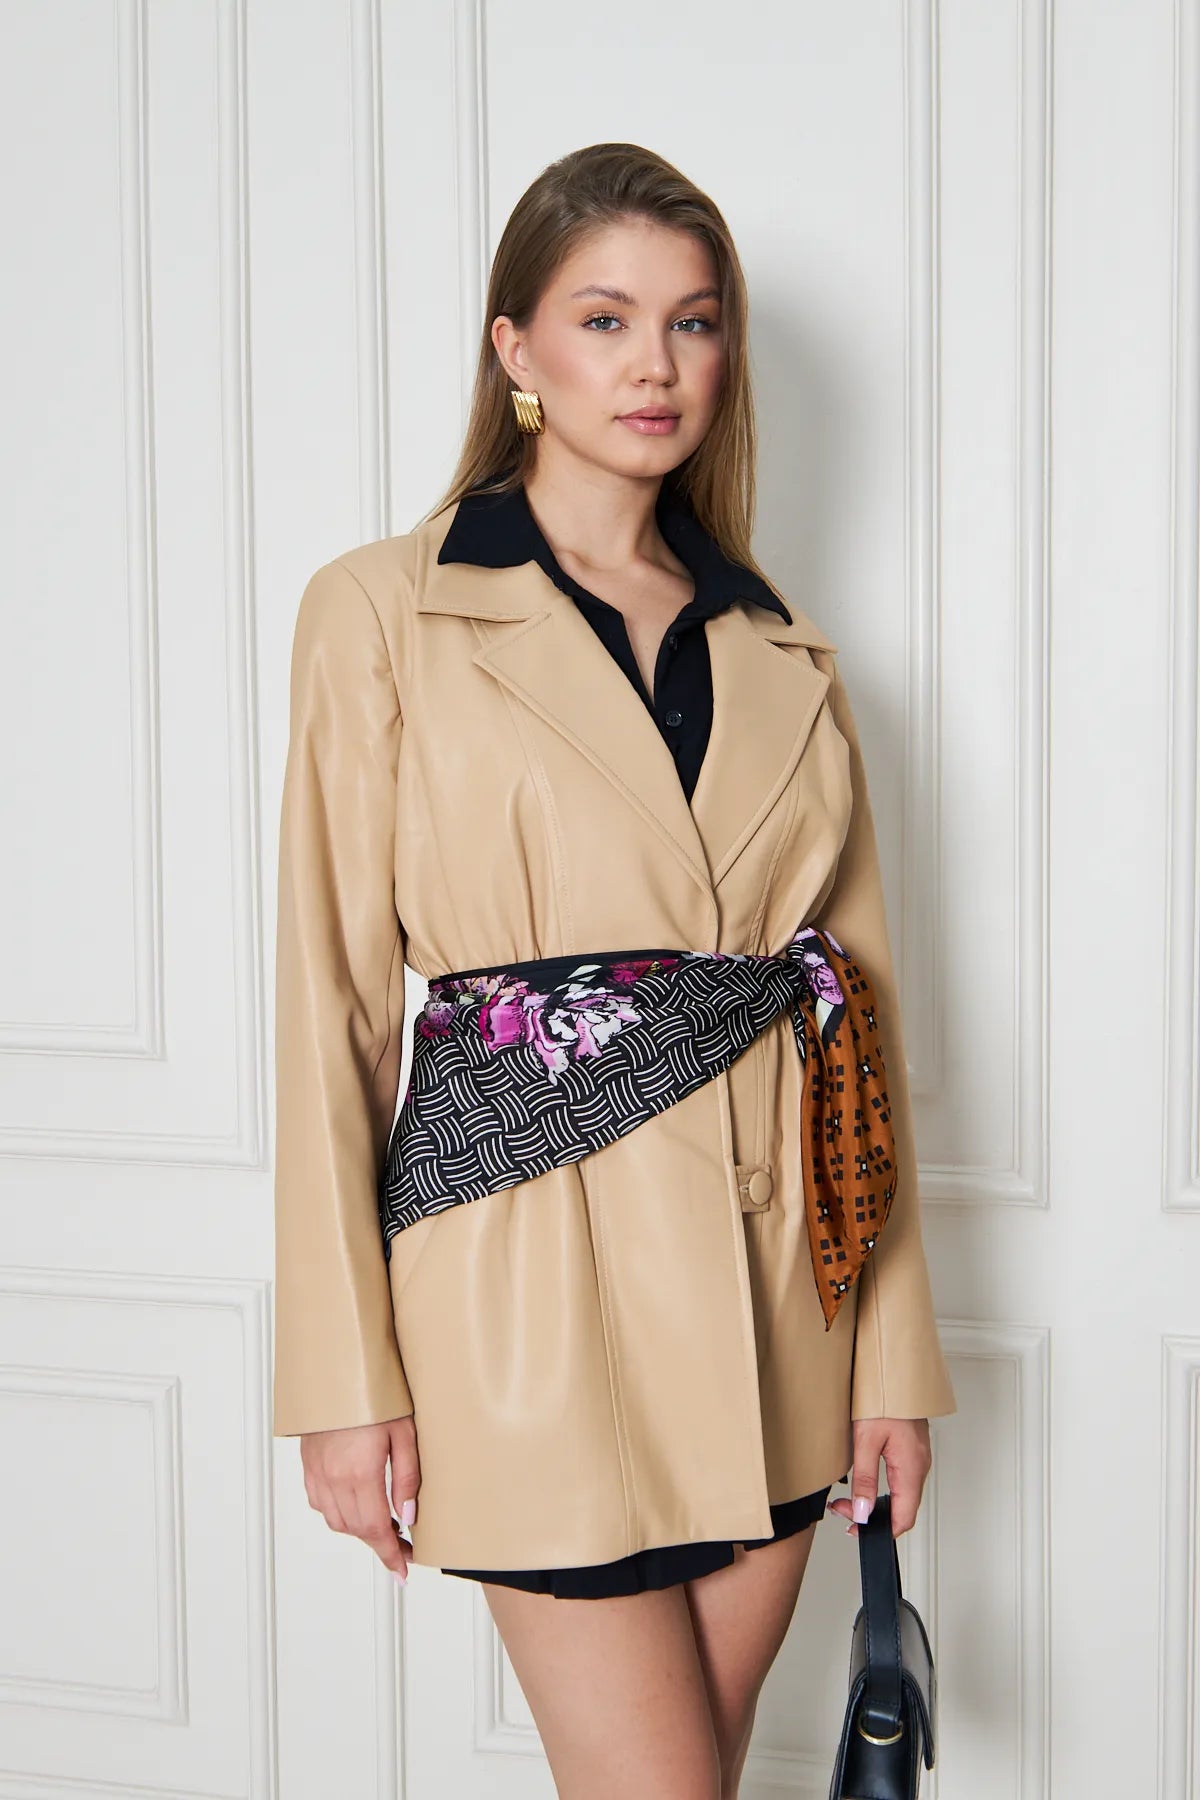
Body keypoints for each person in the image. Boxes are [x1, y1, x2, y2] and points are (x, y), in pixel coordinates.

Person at [272, 141, 956, 1799]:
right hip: (531, 1295)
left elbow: (854, 1028)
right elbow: (334, 1012)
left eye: (693, 322)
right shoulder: (384, 613)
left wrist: (891, 1359)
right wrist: (341, 1382)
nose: (656, 364)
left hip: (778, 1303)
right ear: (515, 348)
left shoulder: (783, 644)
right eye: (605, 319)